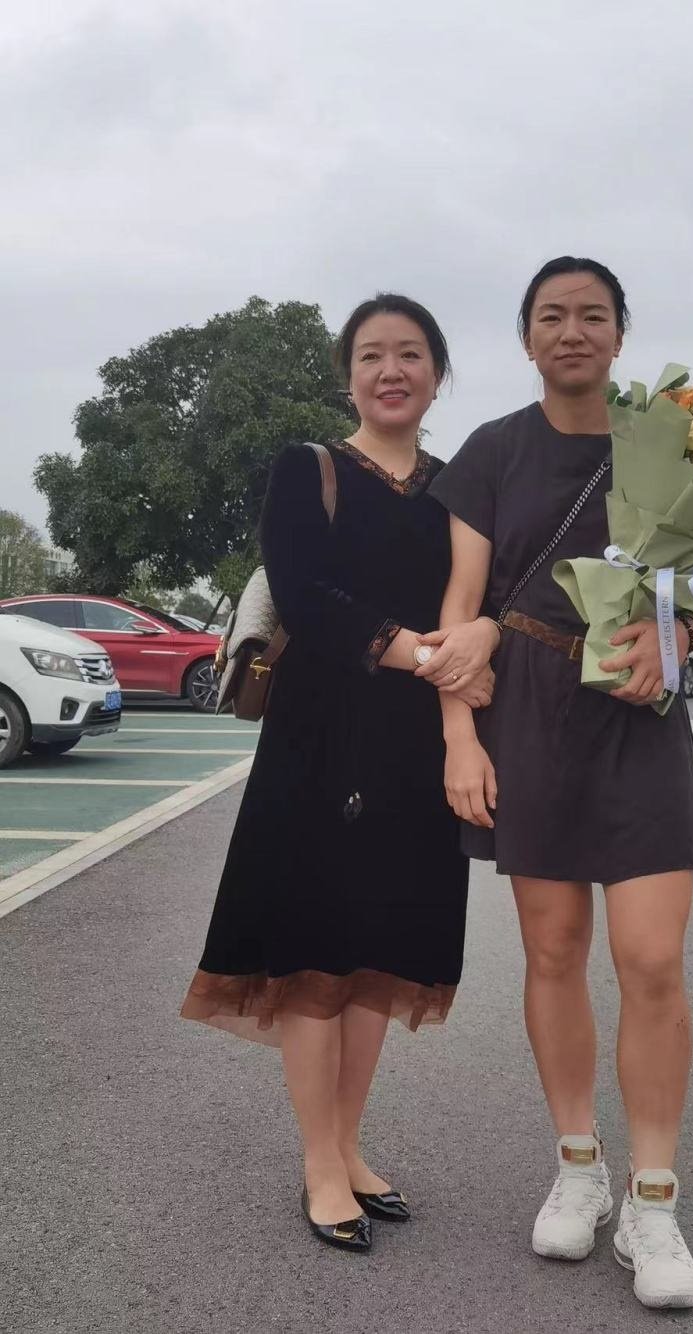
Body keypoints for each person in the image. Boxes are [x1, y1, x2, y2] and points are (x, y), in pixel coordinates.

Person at [181, 294, 497, 1253]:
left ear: (438, 372)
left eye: (410, 354)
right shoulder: (307, 467)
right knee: (315, 947)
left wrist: (466, 652)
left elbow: (488, 594)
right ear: (348, 375)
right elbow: (306, 594)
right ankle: (320, 1161)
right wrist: (424, 653)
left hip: (418, 742)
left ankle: (351, 1146)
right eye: (371, 355)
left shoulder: (460, 487)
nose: (391, 370)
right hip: (321, 738)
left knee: (377, 952)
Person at [425, 258, 693, 1310]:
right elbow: (460, 608)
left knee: (653, 959)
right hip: (532, 712)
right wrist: (460, 737)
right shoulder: (492, 452)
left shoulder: (670, 444)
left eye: (593, 314)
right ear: (527, 338)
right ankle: (579, 1165)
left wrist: (681, 633)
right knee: (552, 951)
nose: (573, 330)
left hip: (640, 714)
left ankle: (654, 1201)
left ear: (620, 334)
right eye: (552, 315)